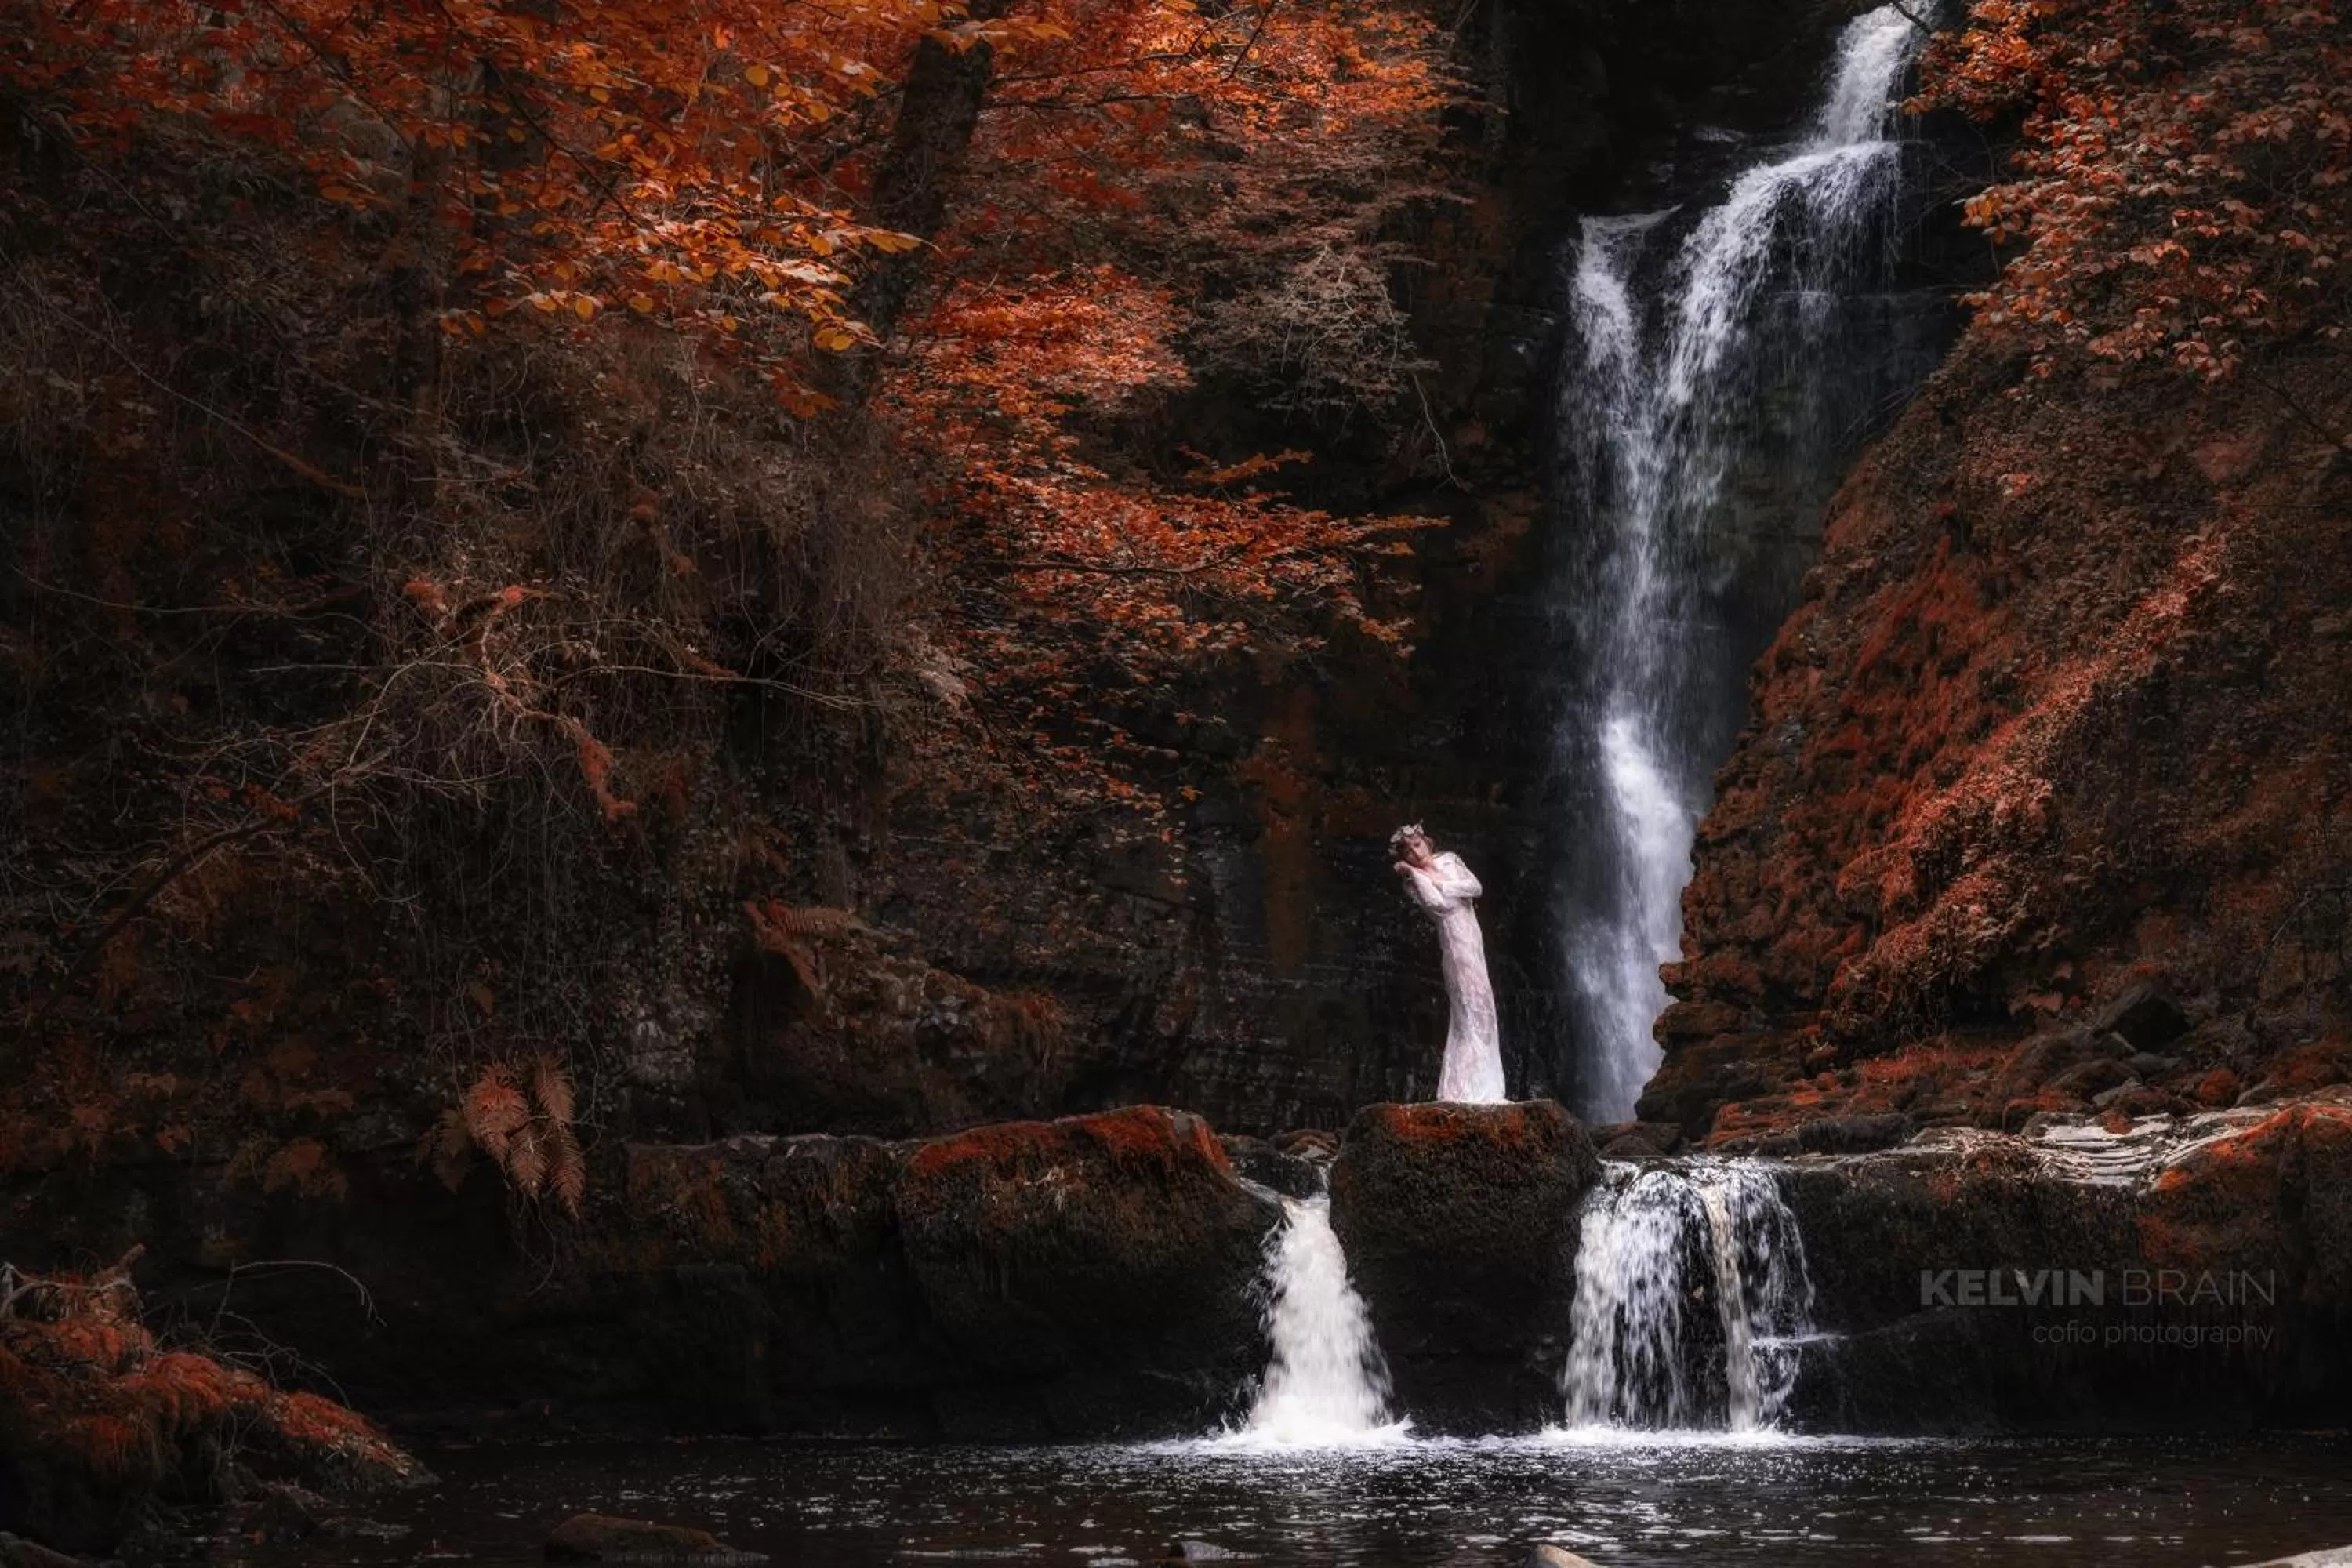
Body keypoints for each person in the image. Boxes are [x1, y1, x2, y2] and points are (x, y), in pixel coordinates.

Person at [1391, 824, 1506, 1103]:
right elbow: (1439, 906)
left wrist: (1441, 882)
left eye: (1417, 845)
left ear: (1427, 842)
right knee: (1469, 1013)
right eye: (1408, 851)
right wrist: (1419, 876)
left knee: (1485, 1011)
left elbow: (1475, 888)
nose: (1415, 853)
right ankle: (1463, 1091)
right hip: (1456, 946)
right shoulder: (1413, 883)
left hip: (1472, 939)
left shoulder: (1450, 860)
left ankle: (1485, 1087)